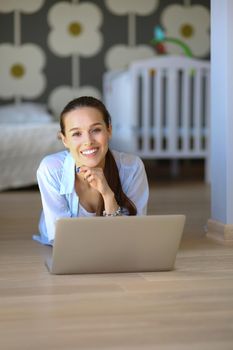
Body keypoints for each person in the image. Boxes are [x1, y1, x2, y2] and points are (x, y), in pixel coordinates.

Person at [33, 96, 149, 245]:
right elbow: (60, 238)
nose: (88, 141)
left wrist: (108, 195)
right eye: (76, 134)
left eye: (96, 130)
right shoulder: (51, 169)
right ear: (64, 140)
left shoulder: (132, 167)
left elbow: (134, 233)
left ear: (109, 131)